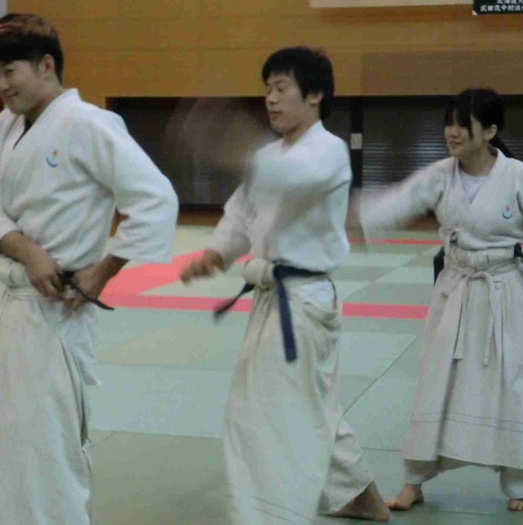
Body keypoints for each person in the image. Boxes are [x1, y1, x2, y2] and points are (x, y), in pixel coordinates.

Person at [0, 13, 178, 524]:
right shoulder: (8, 126)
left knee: (47, 446)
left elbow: (156, 200)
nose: (1, 85)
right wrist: (27, 250)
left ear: (46, 66)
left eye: (9, 71)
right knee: (4, 439)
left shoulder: (88, 124)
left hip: (59, 310)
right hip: (15, 304)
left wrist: (105, 270)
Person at [181, 46, 390, 524]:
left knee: (268, 410)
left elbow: (294, 179)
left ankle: (270, 513)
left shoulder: (327, 151)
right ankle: (362, 496)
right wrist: (216, 253)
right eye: (267, 89)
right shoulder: (267, 156)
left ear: (314, 95)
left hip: (305, 300)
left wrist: (230, 144)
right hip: (274, 298)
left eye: (281, 88)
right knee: (306, 403)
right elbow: (241, 214)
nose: (270, 99)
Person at [355, 88, 523, 513]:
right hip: (455, 289)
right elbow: (396, 201)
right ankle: (415, 480)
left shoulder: (519, 176)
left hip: (505, 291)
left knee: (514, 384)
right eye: (449, 122)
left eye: (463, 124)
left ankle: (521, 481)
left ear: (490, 131)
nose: (452, 131)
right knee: (435, 381)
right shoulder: (440, 174)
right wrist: (353, 216)